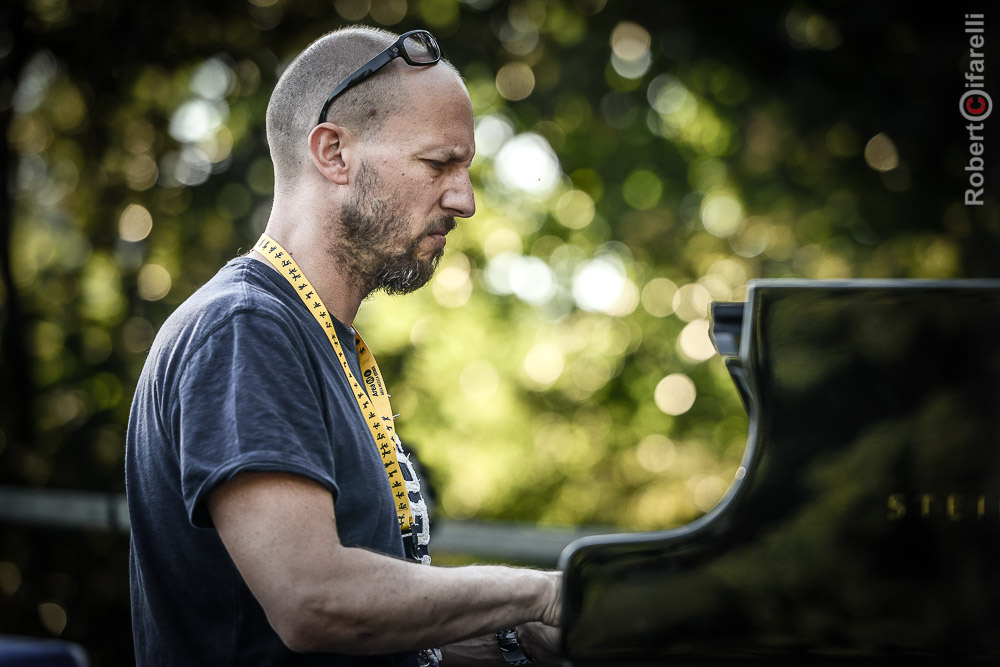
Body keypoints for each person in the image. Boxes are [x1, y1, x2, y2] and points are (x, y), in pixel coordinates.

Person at [125, 25, 561, 667]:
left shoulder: (310, 334)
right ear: (333, 154)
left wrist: (517, 642)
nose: (465, 200)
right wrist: (541, 595)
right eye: (439, 164)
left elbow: (363, 637)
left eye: (466, 169)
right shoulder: (246, 329)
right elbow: (314, 602)